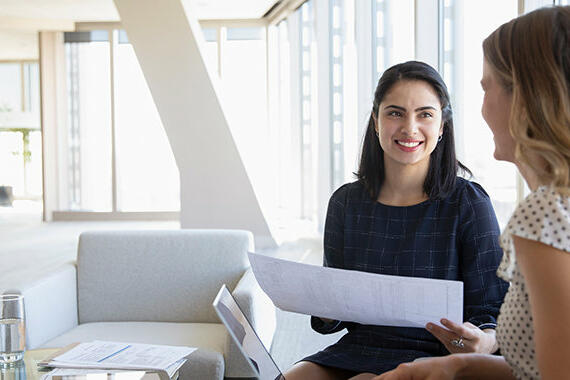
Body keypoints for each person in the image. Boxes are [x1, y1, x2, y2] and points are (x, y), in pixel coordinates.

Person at [374, 5, 570, 380]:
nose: (481, 107)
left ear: (527, 97)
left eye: (486, 87)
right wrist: (461, 365)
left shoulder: (546, 215)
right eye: (395, 113)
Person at [283, 61, 509, 380]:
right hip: (361, 347)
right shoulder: (346, 202)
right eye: (395, 113)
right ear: (376, 121)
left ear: (442, 126)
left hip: (438, 355)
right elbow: (336, 313)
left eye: (425, 114)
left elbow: (492, 313)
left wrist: (480, 342)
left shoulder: (468, 203)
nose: (410, 128)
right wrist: (319, 302)